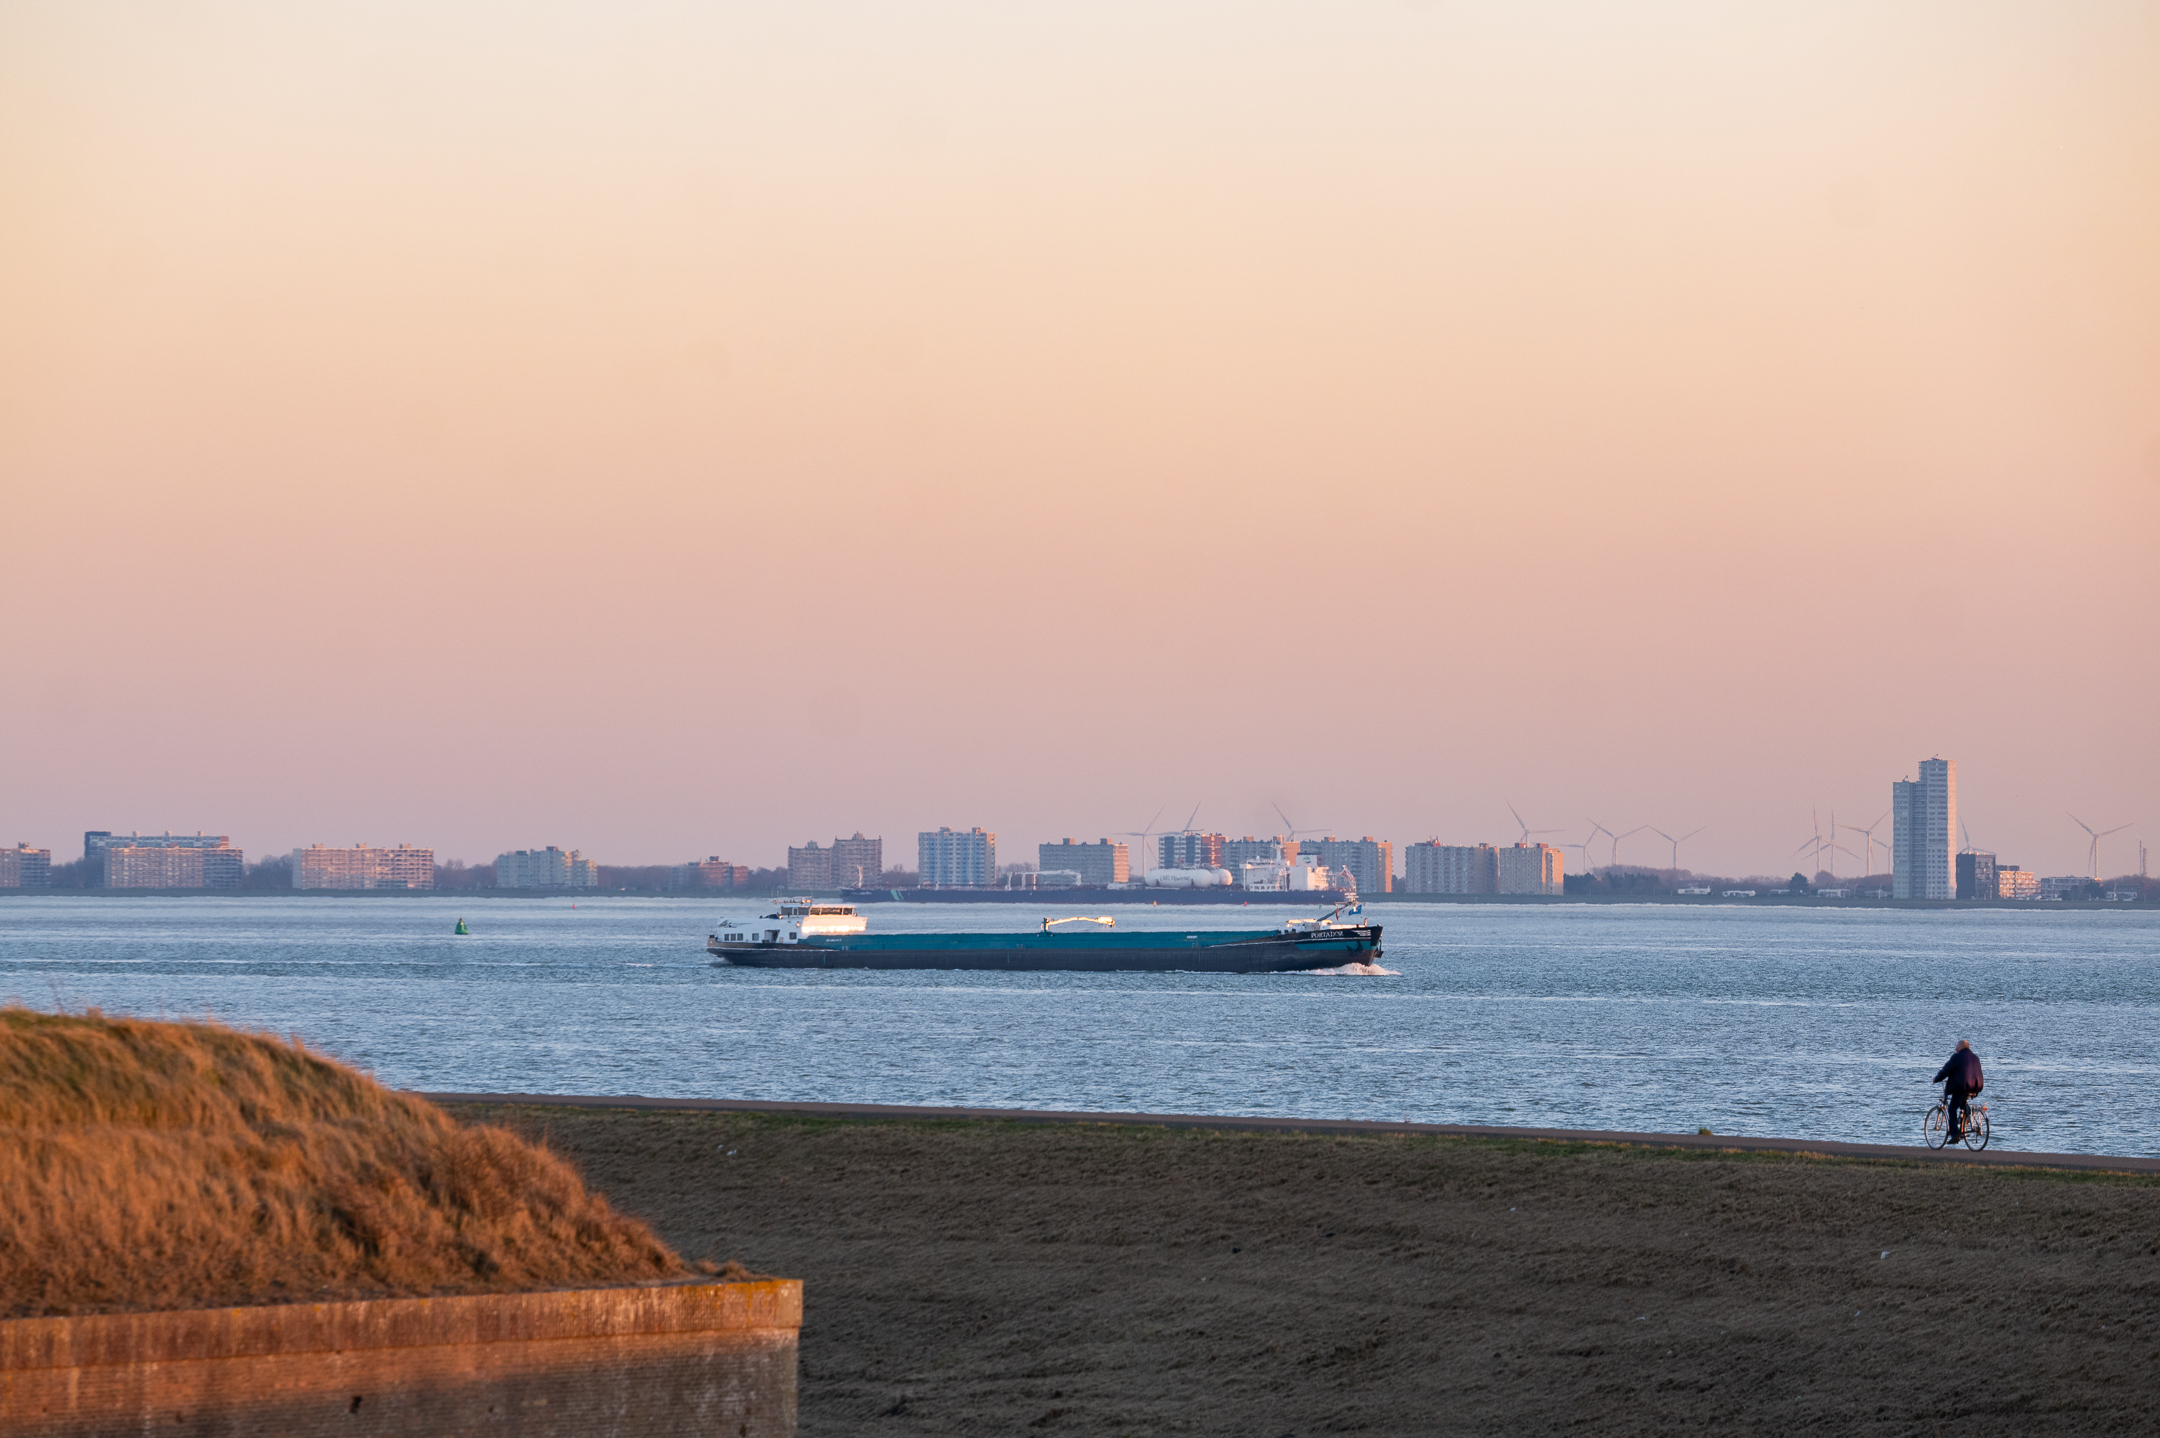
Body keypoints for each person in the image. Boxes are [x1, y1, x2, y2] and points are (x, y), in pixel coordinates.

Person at [1932, 1040, 1985, 1142]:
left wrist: (1936, 1078)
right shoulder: (1975, 1058)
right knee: (1962, 1103)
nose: (1955, 1049)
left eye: (1956, 1047)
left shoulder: (1957, 1057)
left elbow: (1946, 1070)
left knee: (1952, 1108)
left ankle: (1955, 1135)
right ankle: (1967, 1117)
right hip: (1976, 1087)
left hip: (1963, 1087)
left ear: (1960, 1047)